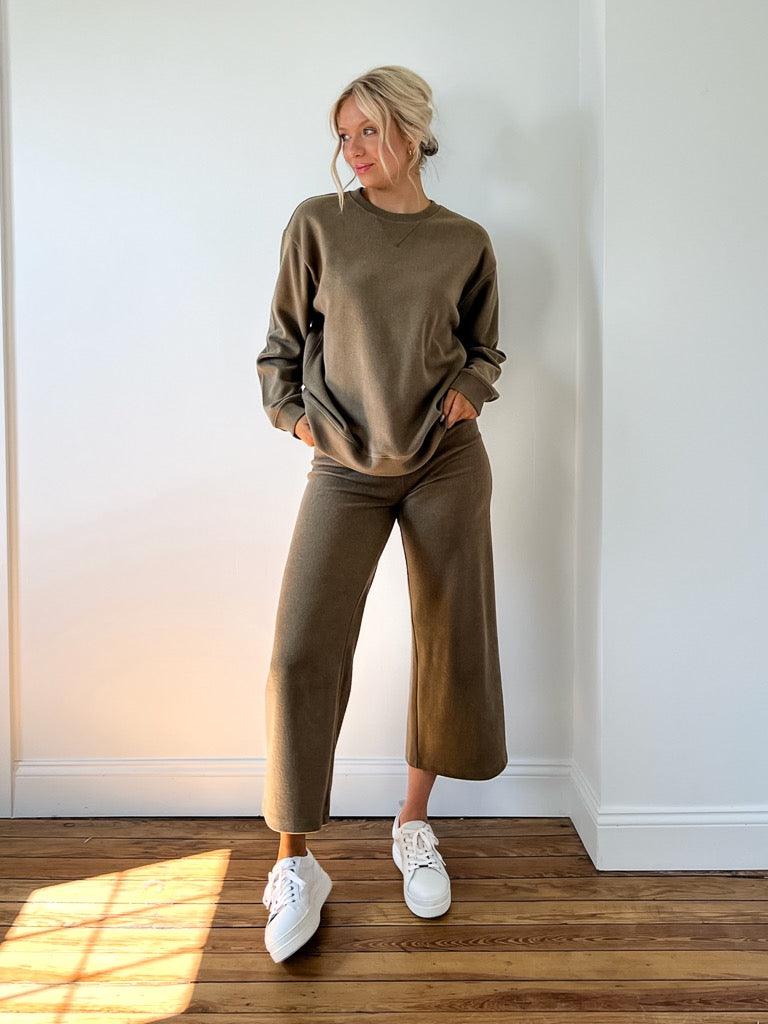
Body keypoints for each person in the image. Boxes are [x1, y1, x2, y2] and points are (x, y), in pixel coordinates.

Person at [256, 65, 508, 963]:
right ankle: (296, 861)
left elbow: (485, 345)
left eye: (369, 130)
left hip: (446, 464)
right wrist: (297, 420)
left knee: (447, 639)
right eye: (344, 135)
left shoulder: (465, 240)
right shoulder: (318, 224)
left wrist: (471, 389)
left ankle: (412, 823)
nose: (354, 150)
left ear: (411, 129)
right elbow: (281, 348)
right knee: (301, 652)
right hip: (345, 469)